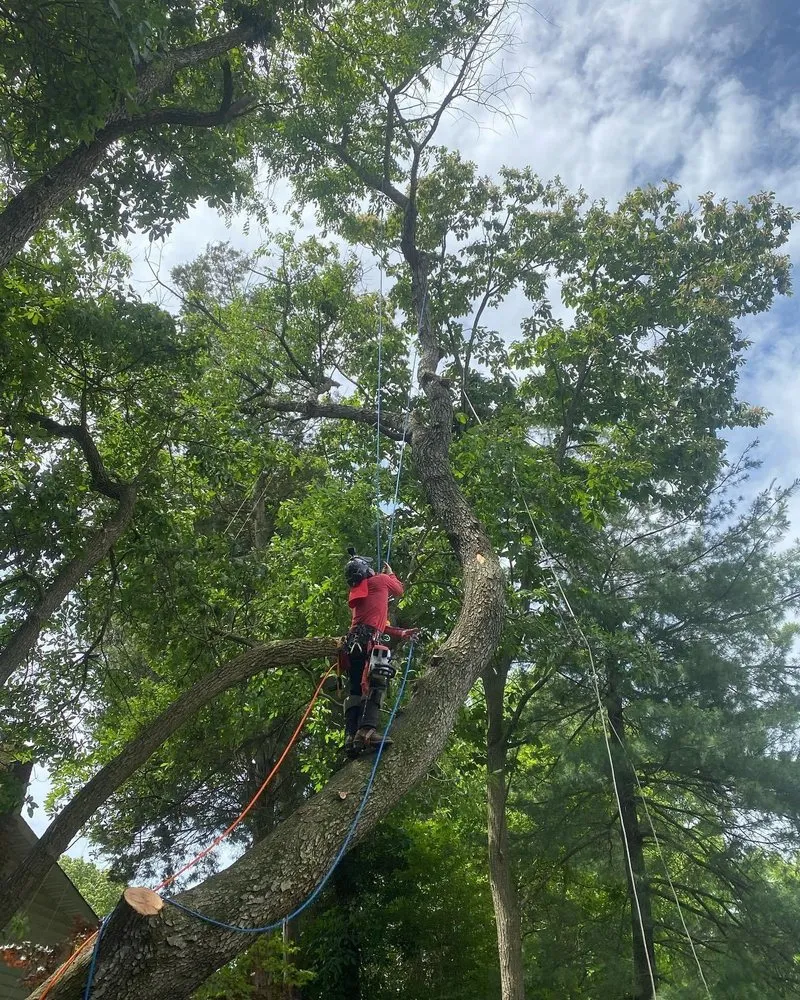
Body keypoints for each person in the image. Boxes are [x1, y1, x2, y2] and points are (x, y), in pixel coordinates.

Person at [340, 548, 418, 755]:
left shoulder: (359, 594)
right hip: (367, 642)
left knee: (356, 691)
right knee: (376, 682)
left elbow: (378, 622)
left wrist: (401, 633)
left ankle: (351, 736)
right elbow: (399, 590)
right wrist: (390, 573)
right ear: (367, 570)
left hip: (352, 645)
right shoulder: (381, 581)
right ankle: (366, 731)